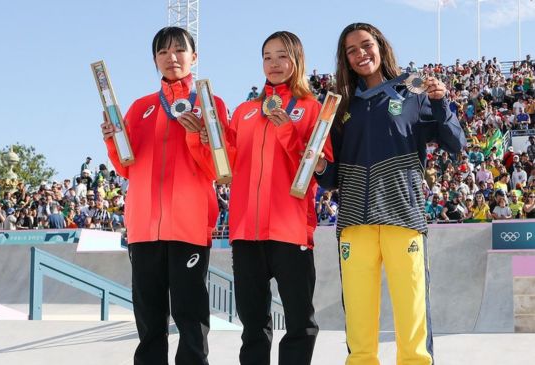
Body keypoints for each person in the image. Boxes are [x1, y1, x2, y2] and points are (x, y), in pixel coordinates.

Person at [314, 23, 465, 365]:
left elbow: (455, 143)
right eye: (351, 50)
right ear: (345, 59)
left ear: (381, 46)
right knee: (359, 326)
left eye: (366, 45)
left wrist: (442, 105)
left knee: (412, 321)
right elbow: (333, 178)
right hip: (354, 223)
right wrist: (320, 166)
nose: (360, 54)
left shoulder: (412, 92)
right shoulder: (340, 106)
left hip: (403, 218)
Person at [100, 26, 229, 365]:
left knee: (190, 315)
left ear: (194, 57)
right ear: (155, 59)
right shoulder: (140, 107)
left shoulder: (210, 104)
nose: (171, 57)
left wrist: (197, 136)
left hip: (188, 226)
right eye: (163, 52)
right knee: (149, 318)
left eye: (179, 50)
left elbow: (219, 167)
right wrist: (113, 140)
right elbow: (126, 166)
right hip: (144, 228)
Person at [201, 31, 331, 365]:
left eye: (282, 56)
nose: (274, 64)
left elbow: (320, 167)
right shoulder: (244, 111)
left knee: (299, 322)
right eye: (267, 56)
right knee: (253, 326)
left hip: (290, 232)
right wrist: (203, 137)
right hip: (246, 234)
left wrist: (287, 128)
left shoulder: (312, 108)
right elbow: (224, 163)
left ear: (297, 60)